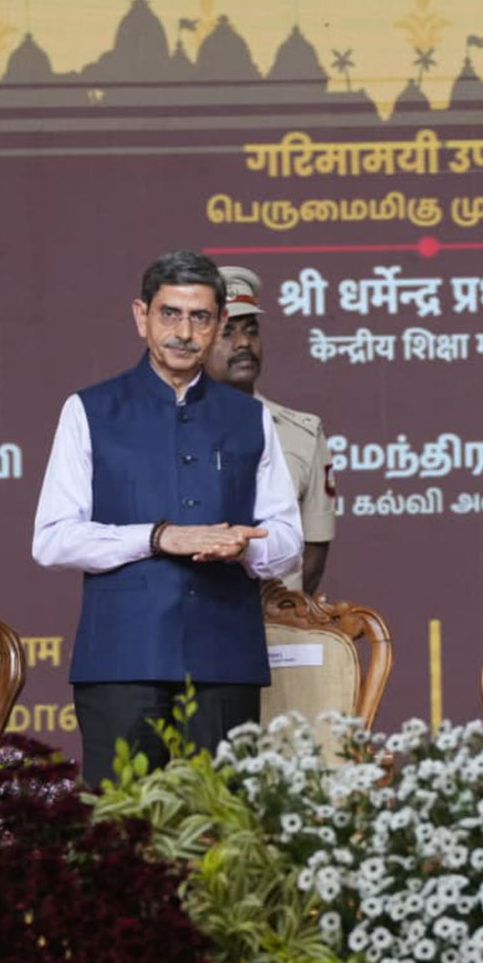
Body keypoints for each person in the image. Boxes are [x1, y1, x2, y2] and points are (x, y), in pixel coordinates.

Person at [32, 250, 302, 786]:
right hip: (121, 664)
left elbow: (289, 539)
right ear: (141, 316)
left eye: (200, 317)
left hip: (225, 665)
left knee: (222, 837)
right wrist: (159, 537)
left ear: (220, 324)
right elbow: (52, 539)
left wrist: (244, 547)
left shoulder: (250, 419)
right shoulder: (89, 409)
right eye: (169, 314)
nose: (184, 331)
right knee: (122, 839)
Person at [206, 266, 336, 595]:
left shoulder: (302, 433)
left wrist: (271, 614)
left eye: (251, 331)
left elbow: (314, 552)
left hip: (278, 630)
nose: (243, 343)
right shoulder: (167, 428)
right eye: (227, 333)